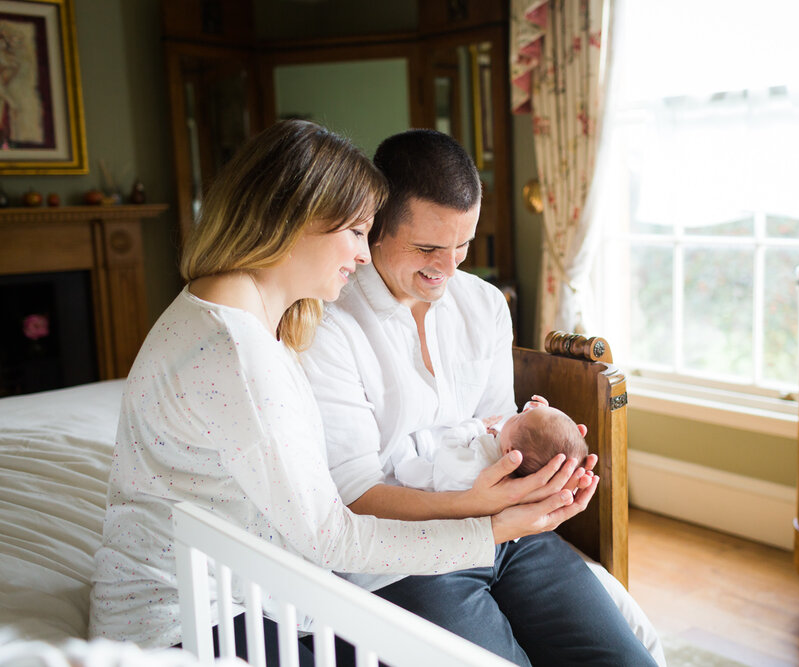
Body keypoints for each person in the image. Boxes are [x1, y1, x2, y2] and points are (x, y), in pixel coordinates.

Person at [88, 120, 598, 665]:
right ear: (291, 221)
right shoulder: (240, 353)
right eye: (356, 231)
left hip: (251, 592)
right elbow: (333, 538)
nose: (362, 255)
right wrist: (489, 524)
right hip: (197, 615)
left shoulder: (246, 318)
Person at [301, 128, 661, 666]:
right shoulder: (329, 324)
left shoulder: (485, 305)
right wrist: (480, 508)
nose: (448, 269)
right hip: (404, 558)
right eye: (427, 248)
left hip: (512, 537)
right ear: (373, 226)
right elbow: (354, 493)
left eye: (462, 246)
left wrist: (546, 473)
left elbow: (497, 424)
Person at [395, 395, 589, 492]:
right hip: (451, 466)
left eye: (521, 416)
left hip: (440, 481)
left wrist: (476, 426)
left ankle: (398, 439)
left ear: (509, 453)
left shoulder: (478, 463)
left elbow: (449, 445)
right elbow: (528, 434)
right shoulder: (519, 469)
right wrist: (542, 412)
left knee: (405, 467)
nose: (521, 412)